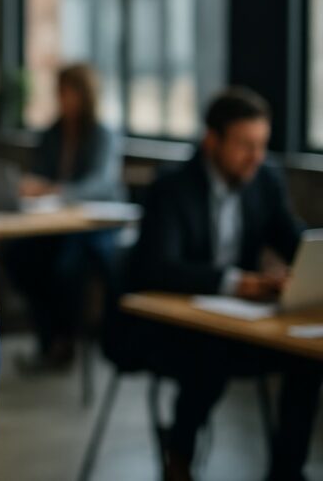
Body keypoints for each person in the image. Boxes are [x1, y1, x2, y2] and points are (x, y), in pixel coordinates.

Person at [128, 87, 319, 481]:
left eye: (262, 144)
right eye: (245, 145)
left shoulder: (264, 179)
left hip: (240, 322)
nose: (256, 156)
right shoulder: (172, 186)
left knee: (307, 360)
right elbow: (156, 267)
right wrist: (236, 283)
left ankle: (286, 472)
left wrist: (305, 268)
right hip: (174, 327)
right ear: (211, 140)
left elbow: (294, 239)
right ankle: (179, 454)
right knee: (209, 353)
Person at [4, 64, 124, 370]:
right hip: (54, 226)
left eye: (68, 92)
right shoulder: (53, 133)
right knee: (19, 256)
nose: (63, 99)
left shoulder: (102, 135)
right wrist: (32, 186)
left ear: (85, 95)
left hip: (95, 227)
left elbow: (100, 184)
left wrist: (56, 190)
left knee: (65, 265)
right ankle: (49, 340)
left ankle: (63, 342)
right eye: (60, 92)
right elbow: (38, 172)